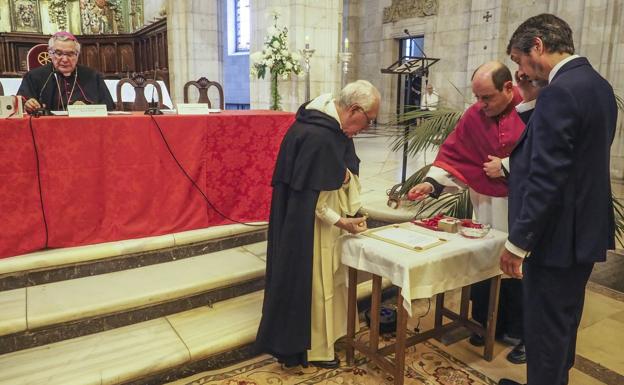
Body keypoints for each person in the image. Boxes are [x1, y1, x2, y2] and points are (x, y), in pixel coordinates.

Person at [498, 14, 617, 385]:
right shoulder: (596, 84)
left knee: (545, 337)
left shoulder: (560, 92)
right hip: (581, 232)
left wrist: (517, 244)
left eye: (518, 59)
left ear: (537, 46)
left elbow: (546, 175)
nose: (519, 69)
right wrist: (534, 96)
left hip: (555, 238)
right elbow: (573, 153)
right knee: (562, 328)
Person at [408, 61, 540, 364]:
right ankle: (485, 323)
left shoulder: (533, 110)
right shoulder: (474, 116)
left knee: (519, 268)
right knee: (485, 262)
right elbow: (456, 153)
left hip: (521, 208)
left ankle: (522, 333)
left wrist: (506, 165)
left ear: (509, 88)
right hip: (486, 206)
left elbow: (543, 156)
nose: (480, 105)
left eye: (487, 98)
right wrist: (431, 184)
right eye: (477, 97)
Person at [255, 80, 381, 369]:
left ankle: (329, 337)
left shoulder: (325, 126)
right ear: (354, 109)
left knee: (329, 283)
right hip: (314, 228)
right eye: (368, 120)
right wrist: (343, 222)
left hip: (321, 220)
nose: (366, 128)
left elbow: (339, 173)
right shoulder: (320, 135)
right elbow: (313, 202)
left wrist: (346, 179)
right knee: (317, 283)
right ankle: (314, 349)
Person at [18, 31, 115, 113]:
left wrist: (88, 108)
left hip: (85, 128)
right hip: (46, 129)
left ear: (77, 55)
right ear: (50, 53)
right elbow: (20, 103)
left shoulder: (93, 76)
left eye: (70, 54)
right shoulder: (34, 76)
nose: (64, 59)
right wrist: (28, 104)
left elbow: (109, 107)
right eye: (58, 53)